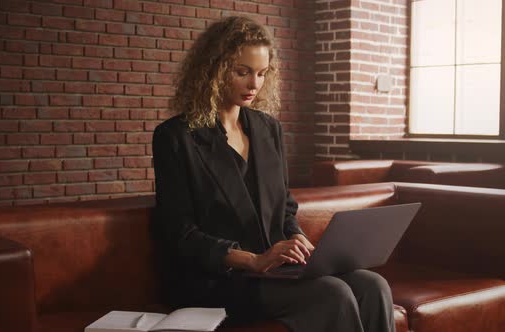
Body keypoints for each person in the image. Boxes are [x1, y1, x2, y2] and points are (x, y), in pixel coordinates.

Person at [152, 16, 396, 332]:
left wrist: (297, 238)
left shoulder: (268, 129)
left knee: (373, 285)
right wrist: (254, 260)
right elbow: (179, 233)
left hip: (274, 271)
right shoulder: (176, 137)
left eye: (262, 73)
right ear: (213, 69)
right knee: (331, 294)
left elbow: (285, 208)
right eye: (242, 72)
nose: (254, 84)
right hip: (216, 279)